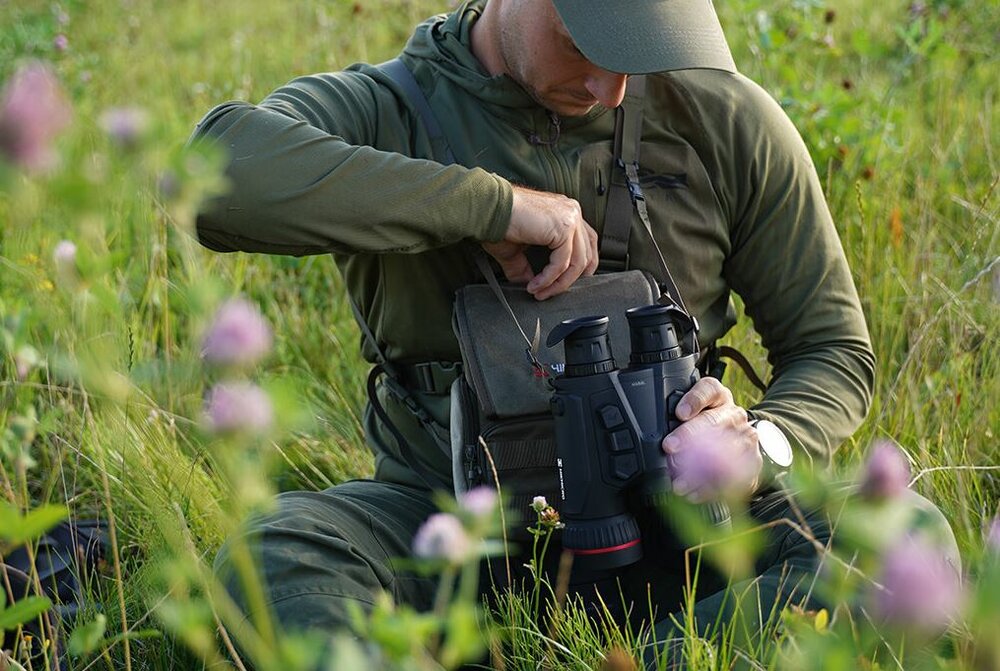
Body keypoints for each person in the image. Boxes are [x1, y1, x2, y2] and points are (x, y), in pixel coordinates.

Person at [191, 0, 957, 665]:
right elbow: (218, 173)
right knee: (275, 564)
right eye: (584, 44)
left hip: (689, 532)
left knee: (900, 535)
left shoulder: (722, 119)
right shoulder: (386, 111)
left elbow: (832, 350)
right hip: (448, 532)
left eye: (639, 52)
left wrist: (760, 441)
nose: (609, 88)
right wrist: (485, 206)